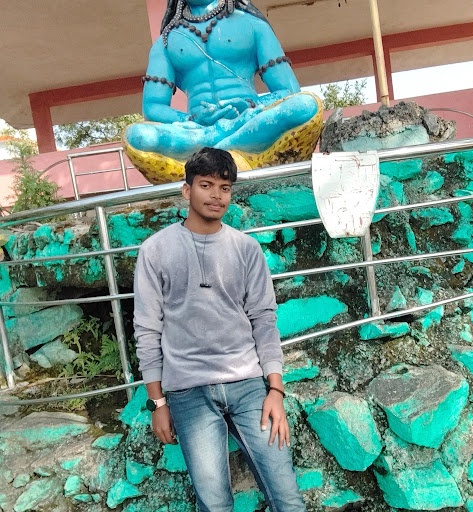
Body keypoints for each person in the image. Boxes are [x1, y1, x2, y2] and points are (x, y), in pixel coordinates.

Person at [133, 147, 306, 512]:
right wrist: (157, 403)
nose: (216, 195)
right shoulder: (155, 251)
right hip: (188, 392)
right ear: (187, 190)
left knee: (287, 495)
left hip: (248, 385)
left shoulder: (246, 249)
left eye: (225, 188)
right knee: (214, 505)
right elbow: (147, 329)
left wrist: (275, 389)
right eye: (206, 185)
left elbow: (264, 319)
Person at [123, 0, 322, 183]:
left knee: (305, 105)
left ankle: (217, 150)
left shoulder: (252, 24)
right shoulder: (166, 42)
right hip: (199, 132)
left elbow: (289, 91)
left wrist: (251, 105)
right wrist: (192, 120)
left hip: (248, 119)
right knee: (138, 136)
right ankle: (227, 145)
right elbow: (153, 107)